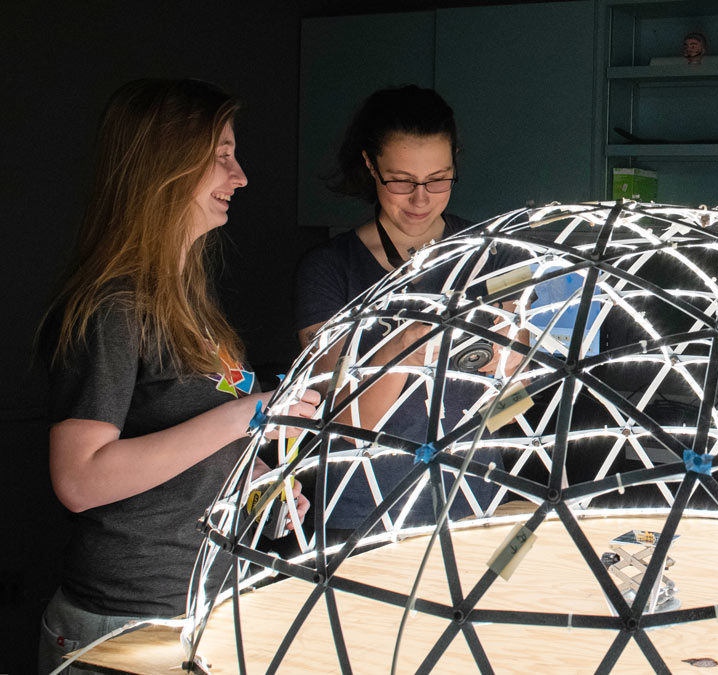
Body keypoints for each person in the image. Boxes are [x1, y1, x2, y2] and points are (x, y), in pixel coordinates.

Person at [37, 79, 319, 674]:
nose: (239, 176)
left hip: (200, 603)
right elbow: (80, 478)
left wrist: (257, 483)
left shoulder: (188, 300)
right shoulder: (113, 307)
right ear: (163, 166)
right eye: (220, 156)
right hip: (128, 622)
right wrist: (247, 414)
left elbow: (191, 449)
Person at [295, 85, 521, 540]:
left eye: (438, 179)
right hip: (361, 519)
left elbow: (516, 410)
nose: (421, 198)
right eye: (401, 181)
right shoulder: (328, 270)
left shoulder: (496, 256)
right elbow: (344, 422)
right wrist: (404, 348)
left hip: (477, 507)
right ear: (369, 167)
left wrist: (513, 366)